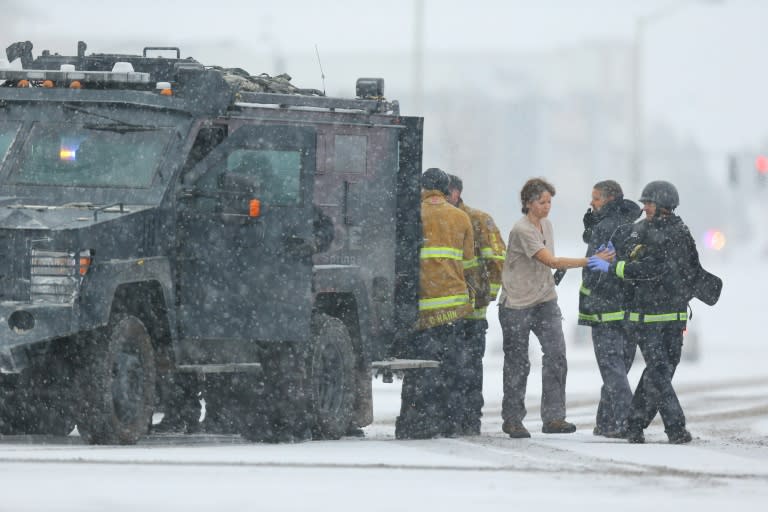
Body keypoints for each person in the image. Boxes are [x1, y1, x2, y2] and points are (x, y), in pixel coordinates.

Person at [588, 180, 701, 444]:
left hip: (674, 316)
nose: (645, 207)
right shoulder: (638, 230)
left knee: (659, 372)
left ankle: (633, 424)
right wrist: (617, 263)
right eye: (644, 202)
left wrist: (619, 266)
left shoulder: (679, 233)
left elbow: (663, 268)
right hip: (644, 318)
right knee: (659, 371)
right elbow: (634, 261)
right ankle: (675, 428)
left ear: (665, 205)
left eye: (649, 203)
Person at [499, 177, 612, 438]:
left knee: (557, 355)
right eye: (542, 202)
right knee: (517, 362)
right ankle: (513, 419)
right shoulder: (522, 230)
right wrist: (591, 261)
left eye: (550, 201)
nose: (547, 206)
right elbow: (550, 260)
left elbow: (550, 264)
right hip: (517, 303)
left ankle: (554, 417)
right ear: (528, 203)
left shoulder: (547, 225)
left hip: (545, 300)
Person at [395, 167, 481, 440]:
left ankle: (414, 422)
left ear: (422, 187)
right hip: (453, 307)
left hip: (421, 307)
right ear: (446, 190)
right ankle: (450, 422)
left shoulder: (412, 214)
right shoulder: (460, 217)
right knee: (452, 367)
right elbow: (469, 264)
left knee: (419, 369)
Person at [579, 180, 641, 438]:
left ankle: (629, 422)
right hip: (630, 310)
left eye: (596, 198)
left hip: (605, 308)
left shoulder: (605, 227)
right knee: (619, 368)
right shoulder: (634, 225)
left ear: (609, 199)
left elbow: (594, 265)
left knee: (612, 369)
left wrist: (591, 291)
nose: (592, 203)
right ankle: (605, 423)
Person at [446, 174, 506, 436]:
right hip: (446, 310)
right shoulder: (440, 218)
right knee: (450, 367)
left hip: (471, 312)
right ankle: (451, 418)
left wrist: (485, 296)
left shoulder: (479, 219)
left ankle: (469, 420)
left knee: (469, 368)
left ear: (456, 193)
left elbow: (497, 261)